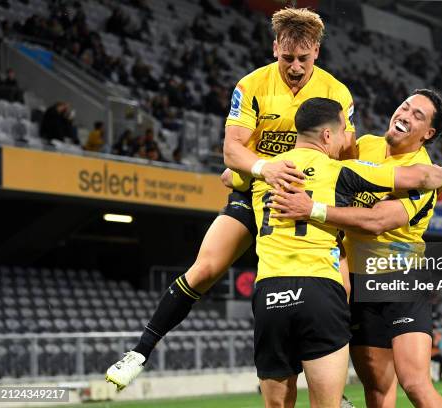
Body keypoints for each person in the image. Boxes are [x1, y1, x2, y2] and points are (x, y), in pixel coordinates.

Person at [105, 7, 357, 390]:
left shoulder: (337, 93)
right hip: (255, 190)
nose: (294, 67)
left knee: (340, 283)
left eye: (303, 59)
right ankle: (139, 352)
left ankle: (333, 385)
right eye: (287, 57)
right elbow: (231, 150)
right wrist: (260, 169)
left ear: (317, 53)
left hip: (308, 197)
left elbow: (344, 150)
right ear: (275, 48)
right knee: (205, 269)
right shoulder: (251, 85)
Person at [247, 97, 442, 407]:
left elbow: (378, 221)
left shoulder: (422, 173)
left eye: (417, 114)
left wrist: (312, 209)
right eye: (405, 105)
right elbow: (319, 159)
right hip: (358, 278)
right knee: (377, 386)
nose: (404, 113)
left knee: (414, 382)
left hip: (400, 277)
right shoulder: (365, 145)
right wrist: (254, 168)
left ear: (428, 133)